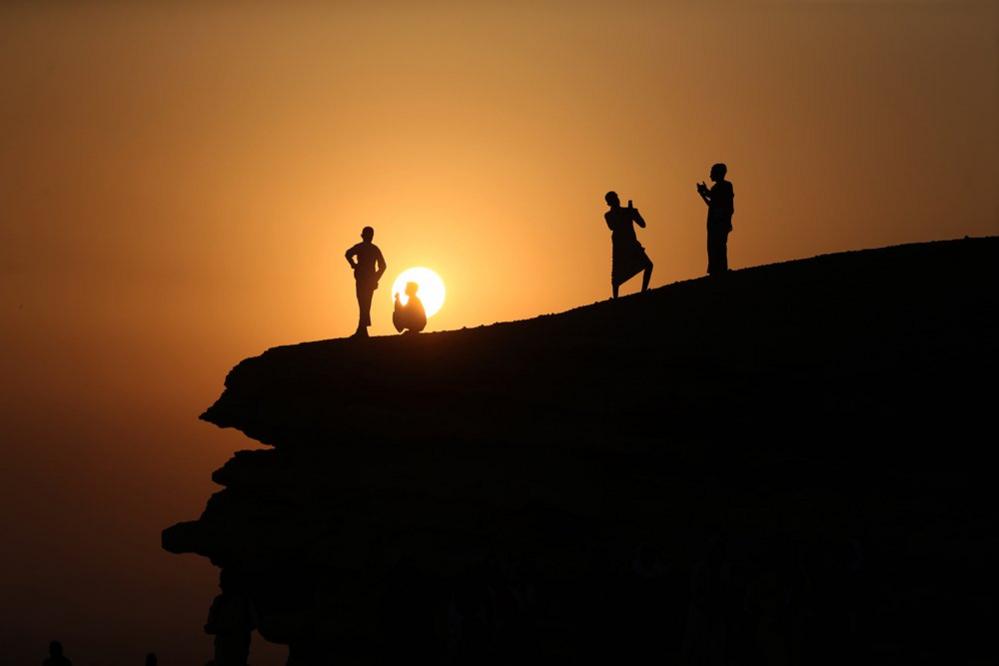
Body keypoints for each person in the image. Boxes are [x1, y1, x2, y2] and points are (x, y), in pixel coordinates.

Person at [604, 191, 653, 298]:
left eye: (616, 198)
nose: (616, 200)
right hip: (620, 246)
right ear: (609, 203)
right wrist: (627, 213)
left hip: (632, 243)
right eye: (613, 199)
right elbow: (612, 226)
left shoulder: (628, 211)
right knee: (616, 275)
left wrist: (634, 213)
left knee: (648, 265)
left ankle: (643, 292)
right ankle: (615, 298)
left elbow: (643, 224)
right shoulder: (608, 215)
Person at [344, 226, 387, 338]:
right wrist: (375, 277)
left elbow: (348, 254)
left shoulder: (362, 247)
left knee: (364, 305)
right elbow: (383, 266)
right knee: (365, 305)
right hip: (366, 281)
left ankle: (362, 331)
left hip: (364, 281)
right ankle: (362, 330)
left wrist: (354, 265)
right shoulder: (373, 249)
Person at [697, 164, 735, 275]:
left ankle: (720, 270)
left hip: (719, 222)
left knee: (718, 246)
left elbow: (716, 201)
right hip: (716, 222)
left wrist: (704, 193)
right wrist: (703, 193)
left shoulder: (725, 186)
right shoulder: (721, 187)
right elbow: (712, 202)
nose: (710, 175)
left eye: (712, 172)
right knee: (715, 246)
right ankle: (717, 270)